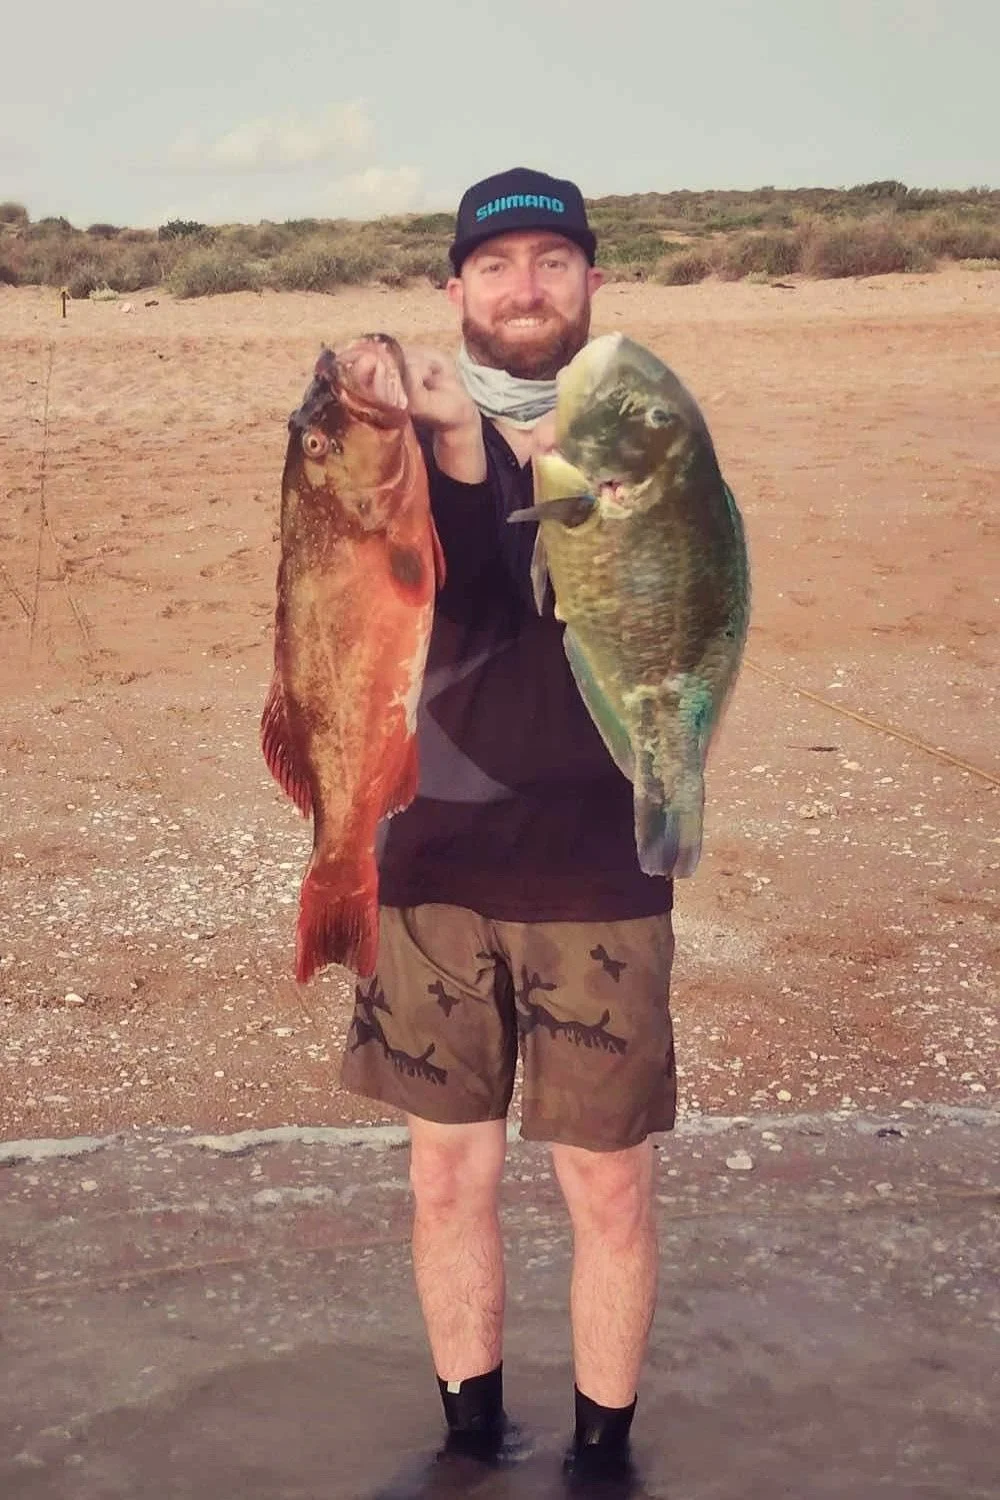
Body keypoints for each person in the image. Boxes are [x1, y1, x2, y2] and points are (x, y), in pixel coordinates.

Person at [341, 168, 676, 1491]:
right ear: (456, 290)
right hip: (427, 861)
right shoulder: (400, 433)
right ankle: (470, 1446)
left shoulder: (643, 428)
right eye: (497, 266)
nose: (524, 287)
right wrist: (415, 437)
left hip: (600, 864)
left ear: (594, 280)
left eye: (551, 261)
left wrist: (506, 458)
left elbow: (587, 595)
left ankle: (604, 1463)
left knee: (609, 1192)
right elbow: (443, 594)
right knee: (445, 1182)